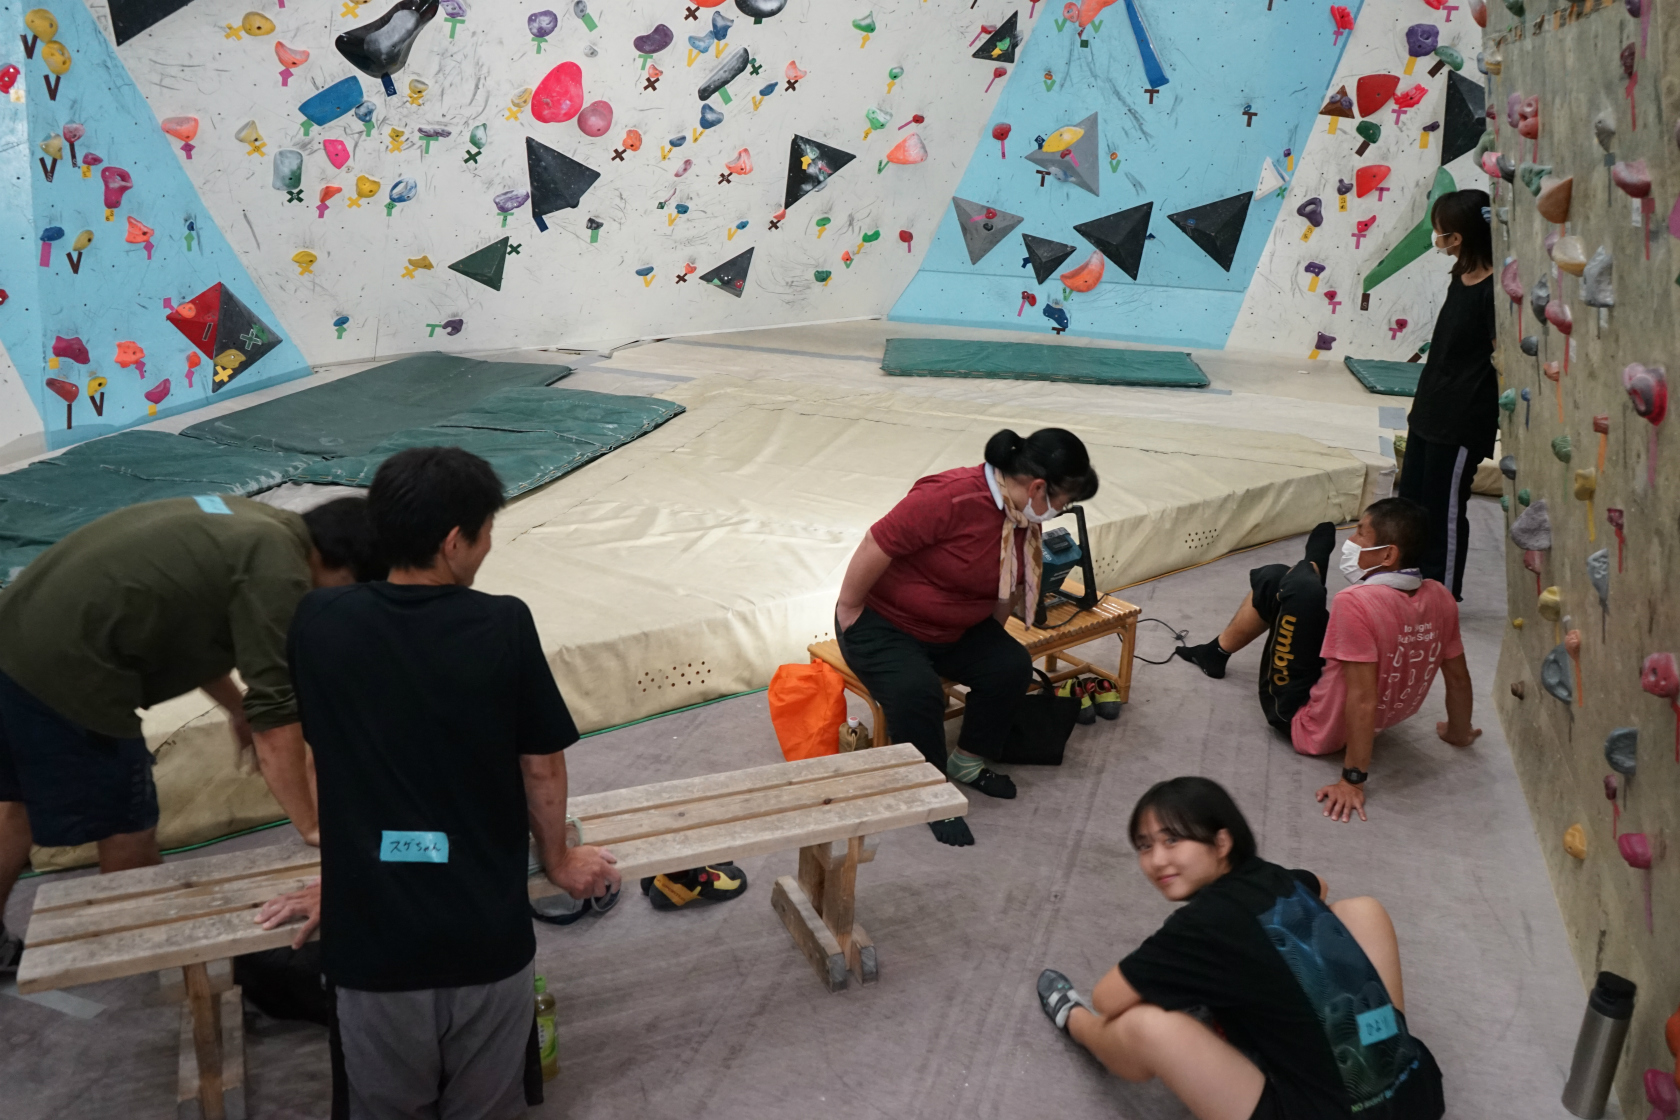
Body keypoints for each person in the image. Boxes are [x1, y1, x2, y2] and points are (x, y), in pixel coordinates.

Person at [256, 447, 619, 1120]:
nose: (488, 547)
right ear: (455, 542)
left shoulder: (319, 622)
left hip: (372, 947)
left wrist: (349, 869)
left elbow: (328, 749)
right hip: (484, 936)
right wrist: (559, 859)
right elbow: (540, 765)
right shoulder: (503, 623)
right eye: (486, 533)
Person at [0, 493, 379, 975]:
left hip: (15, 640)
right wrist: (310, 826)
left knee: (17, 806)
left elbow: (192, 627)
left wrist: (236, 709)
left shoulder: (254, 524)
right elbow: (277, 715)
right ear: (338, 564)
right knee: (127, 822)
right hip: (70, 670)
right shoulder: (279, 569)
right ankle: (141, 951)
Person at [1037, 777, 1445, 1120]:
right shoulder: (1271, 877)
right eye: (1145, 846)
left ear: (1221, 842)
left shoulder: (1201, 926)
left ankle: (1073, 1019)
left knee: (1146, 1025)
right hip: (1417, 1096)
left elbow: (1107, 998)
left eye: (1173, 840)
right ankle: (1385, 1048)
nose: (1157, 860)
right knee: (1361, 910)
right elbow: (1318, 883)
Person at [834, 428, 1099, 846]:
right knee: (917, 691)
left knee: (1011, 665)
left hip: (952, 628)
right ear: (1037, 487)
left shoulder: (1019, 515)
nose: (1060, 511)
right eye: (1062, 501)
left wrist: (988, 639)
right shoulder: (951, 497)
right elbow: (876, 543)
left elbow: (1006, 584)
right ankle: (928, 789)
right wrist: (849, 609)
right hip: (884, 621)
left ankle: (967, 761)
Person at [1172, 499, 1479, 822]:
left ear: (1388, 555)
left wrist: (1352, 780)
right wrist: (1458, 732)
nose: (1352, 540)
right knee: (1287, 583)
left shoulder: (1355, 601)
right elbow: (1458, 677)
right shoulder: (1440, 596)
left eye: (1361, 533)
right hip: (1374, 714)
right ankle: (1218, 650)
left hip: (1308, 724)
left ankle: (1310, 567)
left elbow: (1362, 699)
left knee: (1287, 583)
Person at [1399, 188, 1497, 600]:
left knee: (1444, 508)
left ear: (1457, 236)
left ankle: (1442, 592)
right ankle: (1407, 577)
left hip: (1461, 419)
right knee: (1412, 501)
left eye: (1440, 231)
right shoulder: (1461, 275)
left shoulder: (1493, 290)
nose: (1437, 238)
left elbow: (1500, 358)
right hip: (1430, 408)